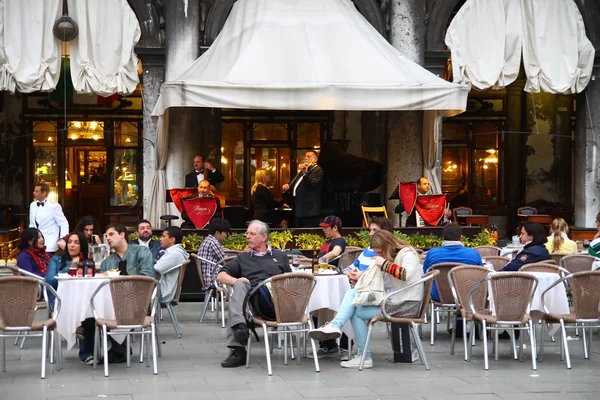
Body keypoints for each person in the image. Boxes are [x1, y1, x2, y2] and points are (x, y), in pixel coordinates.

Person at [309, 230, 423, 369]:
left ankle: (357, 348)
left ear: (388, 245)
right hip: (394, 301)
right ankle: (359, 351)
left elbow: (406, 274)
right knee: (354, 304)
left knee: (353, 302)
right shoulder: (392, 257)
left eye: (380, 252)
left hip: (406, 304)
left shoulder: (407, 253)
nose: (379, 255)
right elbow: (384, 280)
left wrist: (384, 263)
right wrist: (361, 276)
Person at [216, 220, 291, 368]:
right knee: (242, 283)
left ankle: (239, 332)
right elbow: (220, 276)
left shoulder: (280, 256)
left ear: (264, 237)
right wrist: (237, 281)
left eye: (252, 233)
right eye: (247, 233)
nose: (247, 236)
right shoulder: (243, 258)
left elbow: (289, 280)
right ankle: (239, 331)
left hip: (282, 304)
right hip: (256, 304)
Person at [101, 223, 156, 363]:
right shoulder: (107, 262)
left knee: (115, 307)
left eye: (111, 234)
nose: (108, 238)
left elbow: (147, 278)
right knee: (94, 310)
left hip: (140, 302)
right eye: (106, 236)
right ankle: (113, 350)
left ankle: (118, 351)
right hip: (114, 302)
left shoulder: (141, 251)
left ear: (122, 234)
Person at [45, 232, 94, 364]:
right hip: (60, 300)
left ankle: (92, 350)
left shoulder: (88, 262)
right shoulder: (57, 259)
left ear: (82, 246)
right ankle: (86, 353)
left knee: (90, 310)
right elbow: (50, 281)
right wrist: (71, 266)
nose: (71, 245)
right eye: (70, 242)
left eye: (76, 243)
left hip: (83, 298)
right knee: (84, 311)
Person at [422, 223, 483, 303]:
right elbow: (482, 275)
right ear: (461, 238)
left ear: (443, 238)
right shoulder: (473, 254)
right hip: (467, 295)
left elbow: (425, 272)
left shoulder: (432, 253)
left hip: (438, 296)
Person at [282, 151, 324, 227]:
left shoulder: (317, 170)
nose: (305, 158)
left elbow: (312, 184)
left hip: (309, 210)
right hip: (298, 208)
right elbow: (295, 183)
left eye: (308, 156)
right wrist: (288, 185)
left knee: (308, 232)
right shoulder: (304, 170)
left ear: (315, 159)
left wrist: (305, 173)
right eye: (305, 156)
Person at [29, 183, 69, 253]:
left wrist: (62, 240)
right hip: (35, 243)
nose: (33, 193)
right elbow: (32, 223)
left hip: (49, 243)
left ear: (44, 193)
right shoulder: (32, 205)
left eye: (36, 191)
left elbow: (63, 223)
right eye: (34, 191)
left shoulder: (54, 206)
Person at [154, 226, 190, 303]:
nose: (160, 239)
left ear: (172, 239)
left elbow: (155, 269)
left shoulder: (174, 254)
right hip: (162, 287)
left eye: (163, 236)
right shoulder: (172, 252)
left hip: (163, 291)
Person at [197, 218, 231, 290]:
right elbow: (226, 260)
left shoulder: (208, 240)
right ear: (217, 233)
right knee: (240, 281)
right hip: (214, 280)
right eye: (225, 233)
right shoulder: (213, 242)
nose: (226, 236)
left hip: (208, 278)